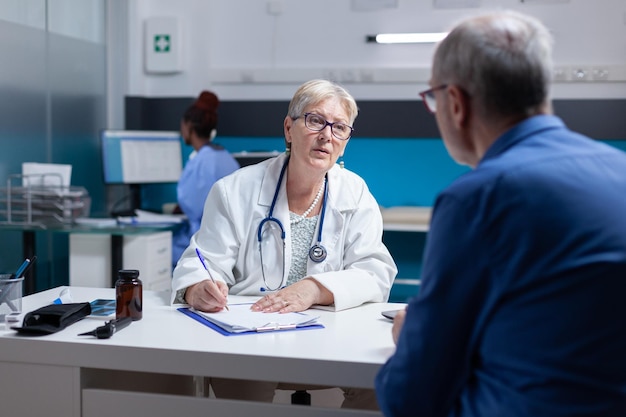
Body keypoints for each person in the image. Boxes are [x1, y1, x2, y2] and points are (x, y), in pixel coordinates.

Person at [375, 10, 626, 417]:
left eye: (434, 99)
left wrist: (409, 339)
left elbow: (412, 397)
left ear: (455, 103)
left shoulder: (477, 199)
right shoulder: (619, 171)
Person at [171, 79, 397, 408]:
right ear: (289, 128)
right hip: (250, 335)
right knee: (241, 391)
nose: (326, 135)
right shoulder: (235, 190)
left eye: (340, 127)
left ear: (346, 140)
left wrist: (313, 289)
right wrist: (198, 288)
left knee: (381, 382)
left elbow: (375, 271)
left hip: (331, 336)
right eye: (316, 120)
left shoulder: (355, 193)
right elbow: (202, 262)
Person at [172, 90, 240, 268]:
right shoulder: (225, 156)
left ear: (189, 126)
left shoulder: (201, 161)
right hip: (230, 244)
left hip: (203, 244)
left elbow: (194, 209)